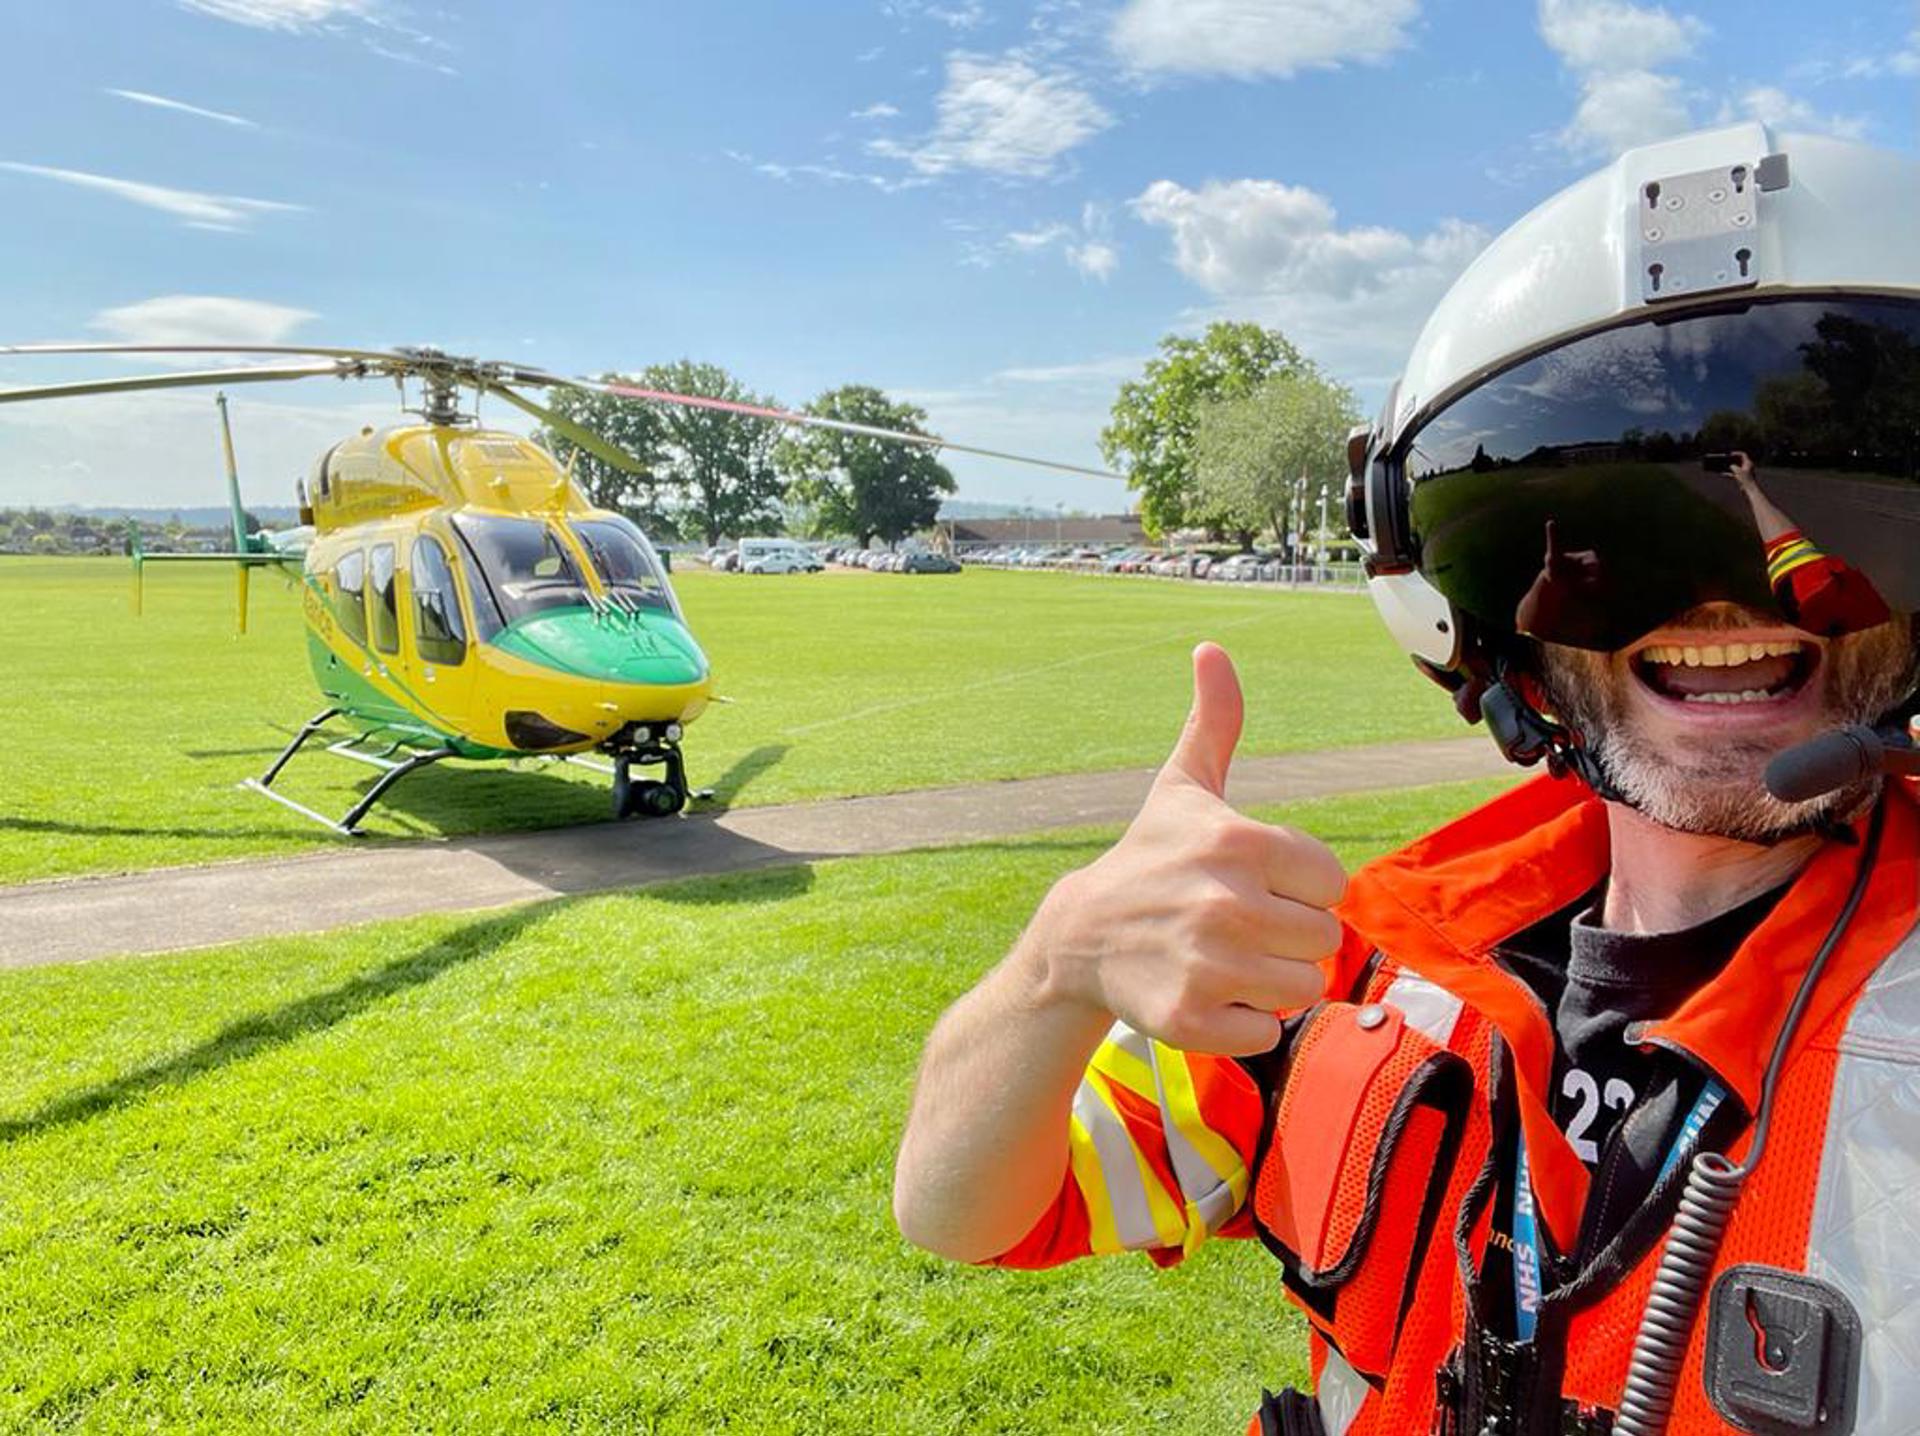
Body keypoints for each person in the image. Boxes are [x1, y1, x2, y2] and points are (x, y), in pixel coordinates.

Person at [894, 123, 1920, 1436]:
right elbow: (962, 1207)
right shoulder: (1352, 972)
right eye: (1618, 535)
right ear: (1499, 621)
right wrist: (1057, 967)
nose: (1724, 599)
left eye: (1853, 521)